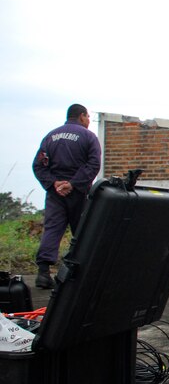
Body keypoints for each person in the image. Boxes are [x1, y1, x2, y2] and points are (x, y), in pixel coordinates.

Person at [32, 104, 101, 289]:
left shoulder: (51, 136)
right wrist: (73, 184)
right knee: (83, 232)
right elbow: (94, 164)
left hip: (55, 194)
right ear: (81, 116)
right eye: (87, 117)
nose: (88, 120)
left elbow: (38, 165)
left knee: (52, 229)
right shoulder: (88, 137)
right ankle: (79, 272)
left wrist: (54, 183)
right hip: (78, 193)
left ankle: (43, 273)